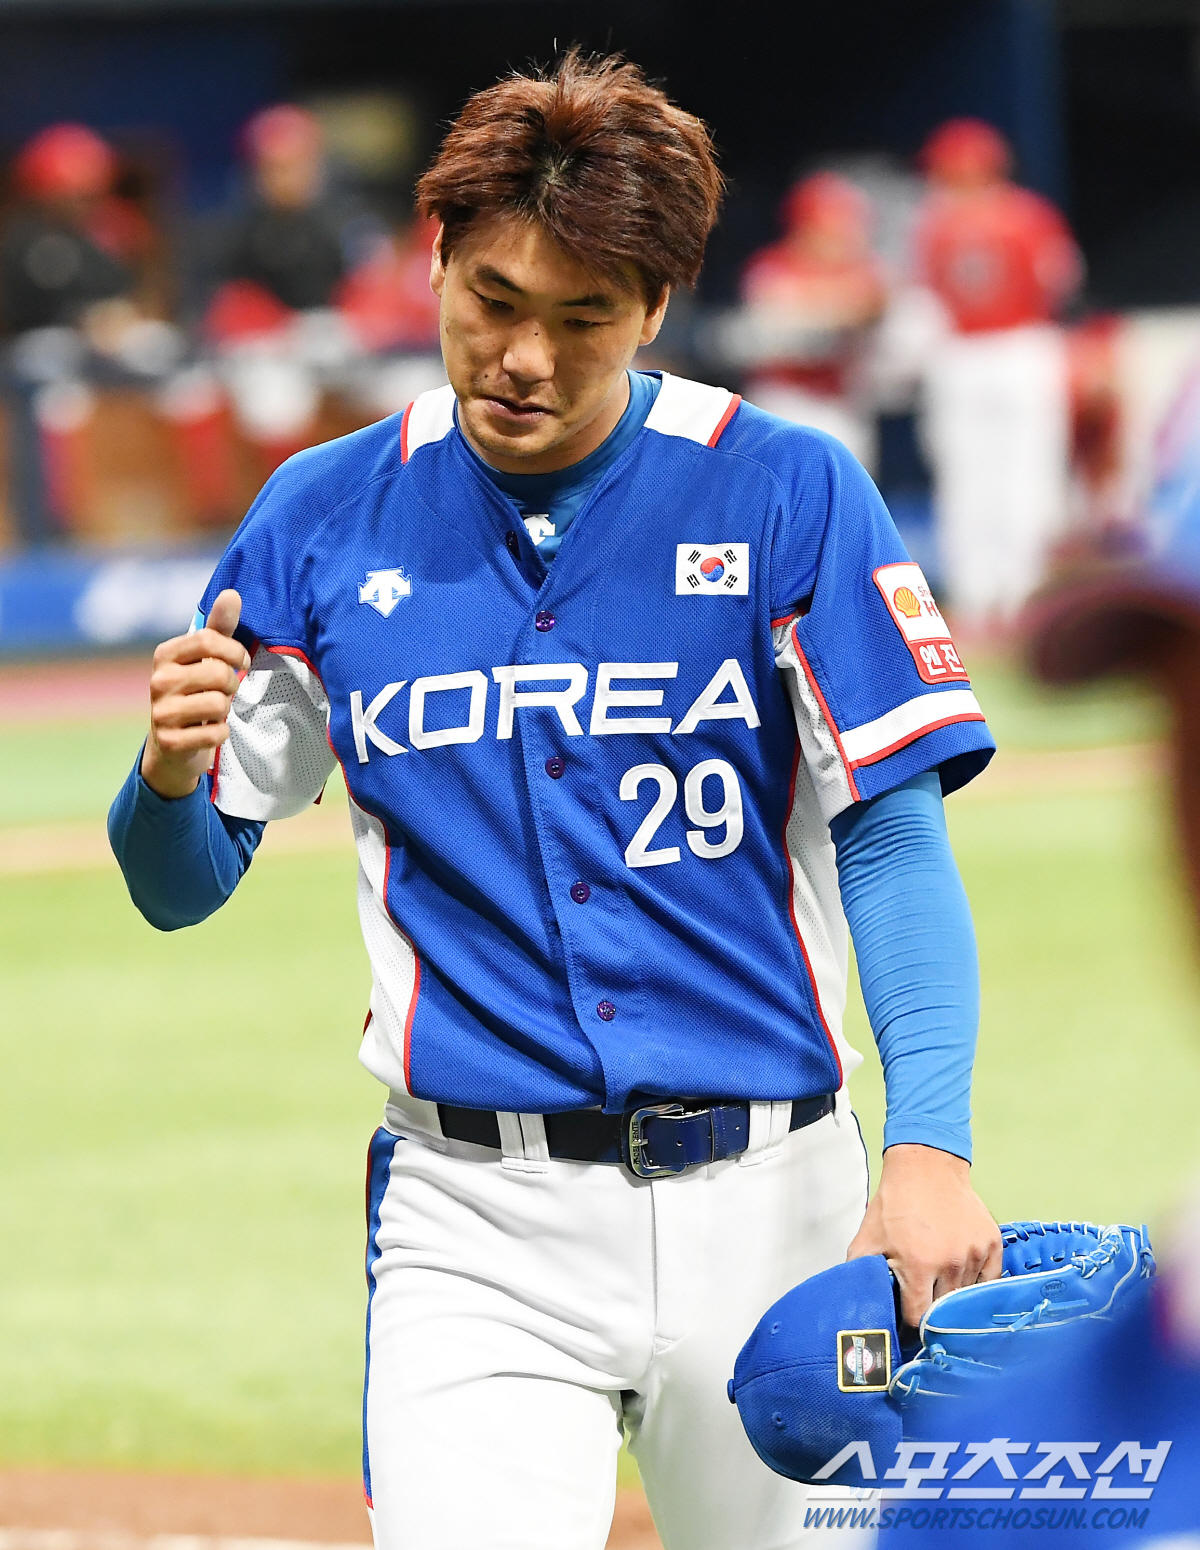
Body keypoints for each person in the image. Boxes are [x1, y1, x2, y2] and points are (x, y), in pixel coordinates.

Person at [108, 52, 1001, 1550]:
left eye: (582, 318)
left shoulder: (787, 489)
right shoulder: (319, 519)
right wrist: (165, 776)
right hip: (476, 1223)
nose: (522, 355)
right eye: (492, 299)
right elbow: (178, 881)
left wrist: (932, 1147)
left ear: (655, 310)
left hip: (784, 1210)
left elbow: (895, 836)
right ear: (435, 262)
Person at [914, 118, 1082, 628]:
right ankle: (1022, 599)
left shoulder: (935, 224)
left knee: (975, 478)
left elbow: (921, 301)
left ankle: (983, 598)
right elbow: (1063, 283)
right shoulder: (1028, 215)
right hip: (1019, 348)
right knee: (1020, 475)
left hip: (968, 355)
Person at [737, 171, 887, 471]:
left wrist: (828, 305)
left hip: (841, 402)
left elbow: (871, 304)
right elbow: (780, 317)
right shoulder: (772, 266)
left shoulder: (863, 269)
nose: (841, 234)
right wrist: (836, 306)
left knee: (848, 489)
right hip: (782, 398)